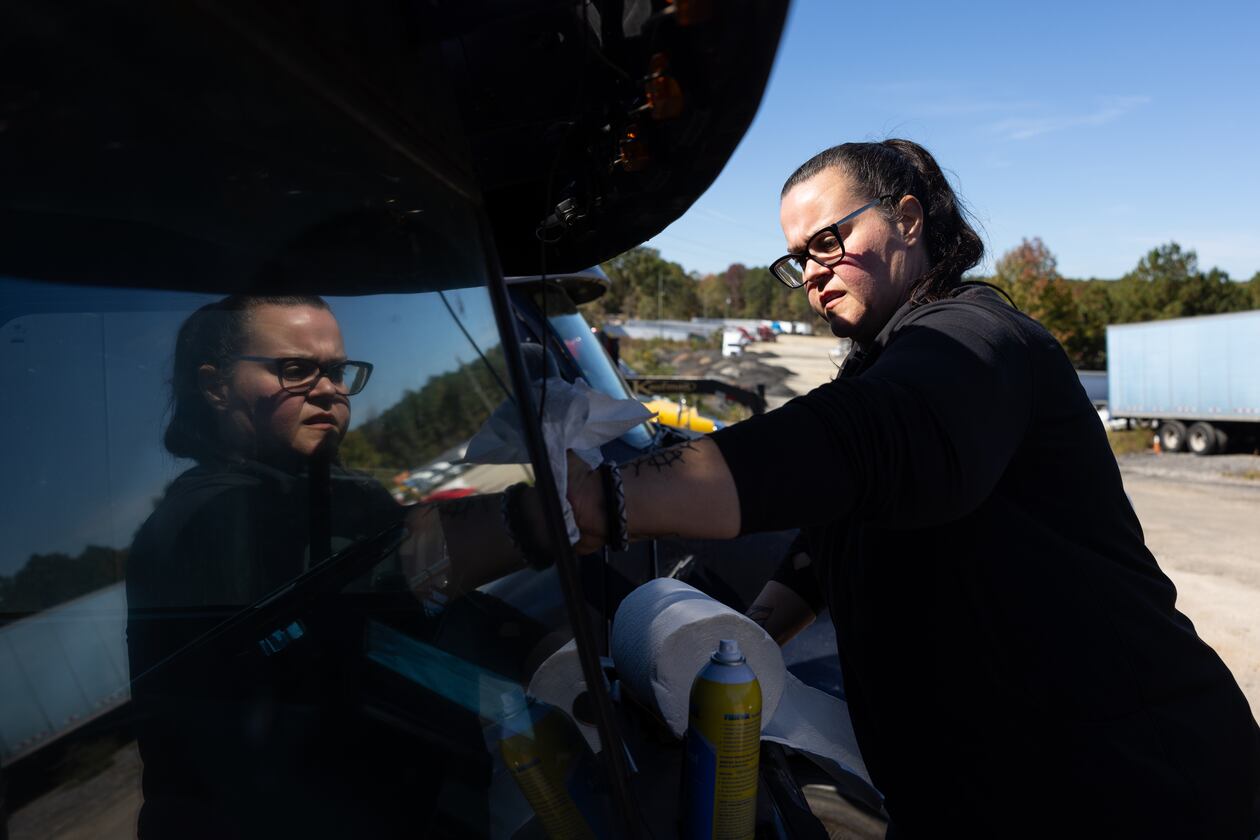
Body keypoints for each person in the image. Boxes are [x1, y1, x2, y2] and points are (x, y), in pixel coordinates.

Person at [567, 139, 1260, 837]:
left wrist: (596, 504)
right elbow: (830, 539)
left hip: (1132, 788)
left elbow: (859, 442)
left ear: (907, 219)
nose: (811, 274)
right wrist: (739, 647)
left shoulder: (976, 341)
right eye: (797, 259)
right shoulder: (879, 369)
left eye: (829, 242)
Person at [126, 294, 550, 839]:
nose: (329, 389)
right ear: (216, 387)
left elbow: (420, 614)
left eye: (337, 371)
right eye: (296, 370)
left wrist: (537, 647)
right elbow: (384, 583)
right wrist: (581, 508)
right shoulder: (203, 522)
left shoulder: (334, 495)